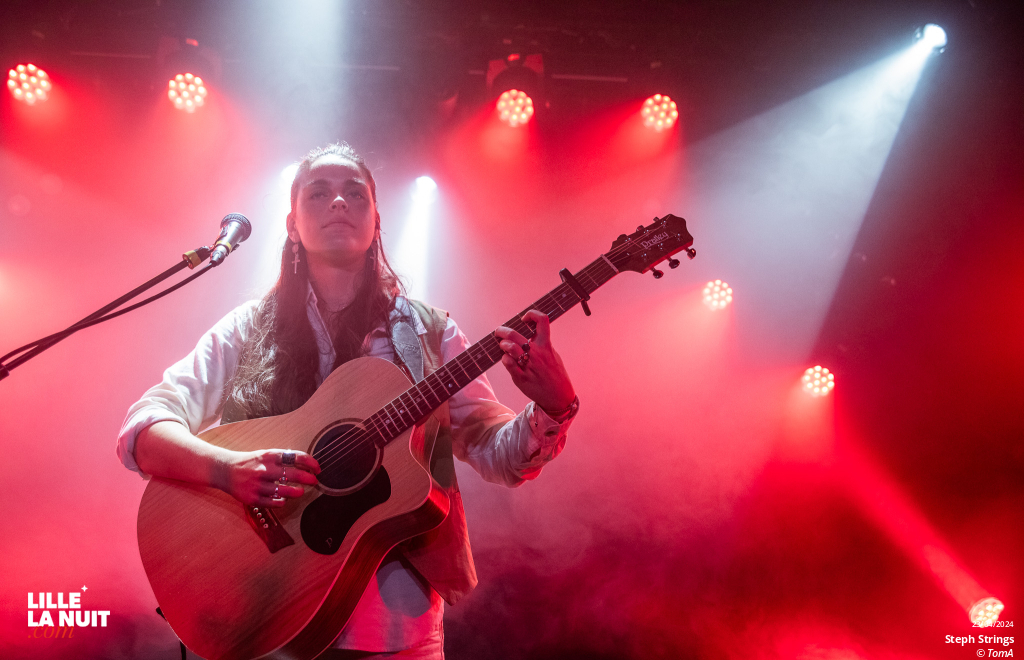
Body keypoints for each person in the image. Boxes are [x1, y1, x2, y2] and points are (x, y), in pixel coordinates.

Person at [117, 142, 579, 659]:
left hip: (395, 628)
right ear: (292, 225)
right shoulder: (246, 329)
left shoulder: (431, 333)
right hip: (261, 614)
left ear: (376, 220)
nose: (338, 203)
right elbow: (143, 430)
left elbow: (498, 455)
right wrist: (228, 468)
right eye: (319, 193)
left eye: (354, 194)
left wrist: (555, 408)